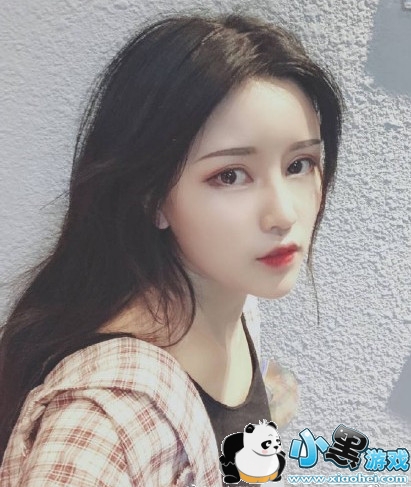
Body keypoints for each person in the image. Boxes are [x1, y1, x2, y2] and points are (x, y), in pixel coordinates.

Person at [0, 13, 343, 486]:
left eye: (299, 164)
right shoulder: (110, 415)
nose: (283, 214)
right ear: (152, 197)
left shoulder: (230, 299)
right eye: (230, 176)